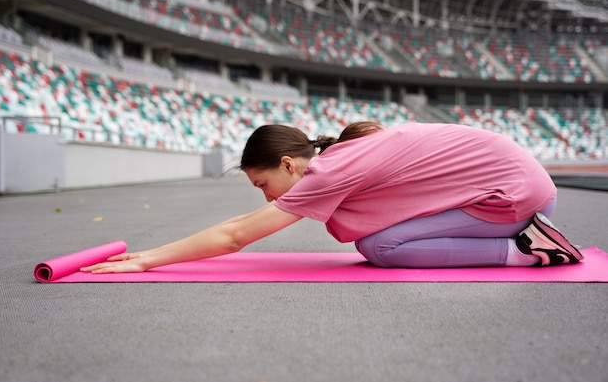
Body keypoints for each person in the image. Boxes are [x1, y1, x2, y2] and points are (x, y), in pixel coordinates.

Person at [81, 121, 583, 274]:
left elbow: (236, 235)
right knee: (378, 240)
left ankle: (526, 250)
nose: (265, 197)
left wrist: (146, 262)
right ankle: (523, 238)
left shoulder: (325, 169)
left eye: (263, 186)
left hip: (516, 200)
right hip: (517, 187)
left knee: (381, 248)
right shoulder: (344, 157)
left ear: (288, 165)